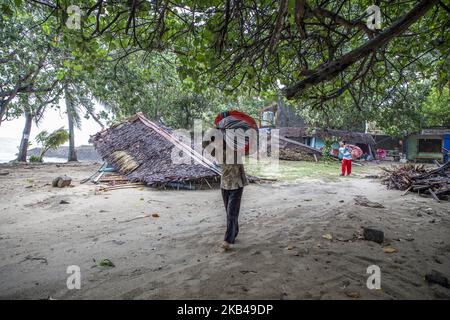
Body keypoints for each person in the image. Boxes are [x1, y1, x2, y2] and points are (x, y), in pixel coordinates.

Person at [219, 142, 248, 251]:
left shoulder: (238, 149)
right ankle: (234, 232)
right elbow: (206, 144)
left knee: (231, 212)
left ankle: (228, 240)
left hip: (237, 184)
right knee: (229, 212)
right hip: (224, 184)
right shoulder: (218, 151)